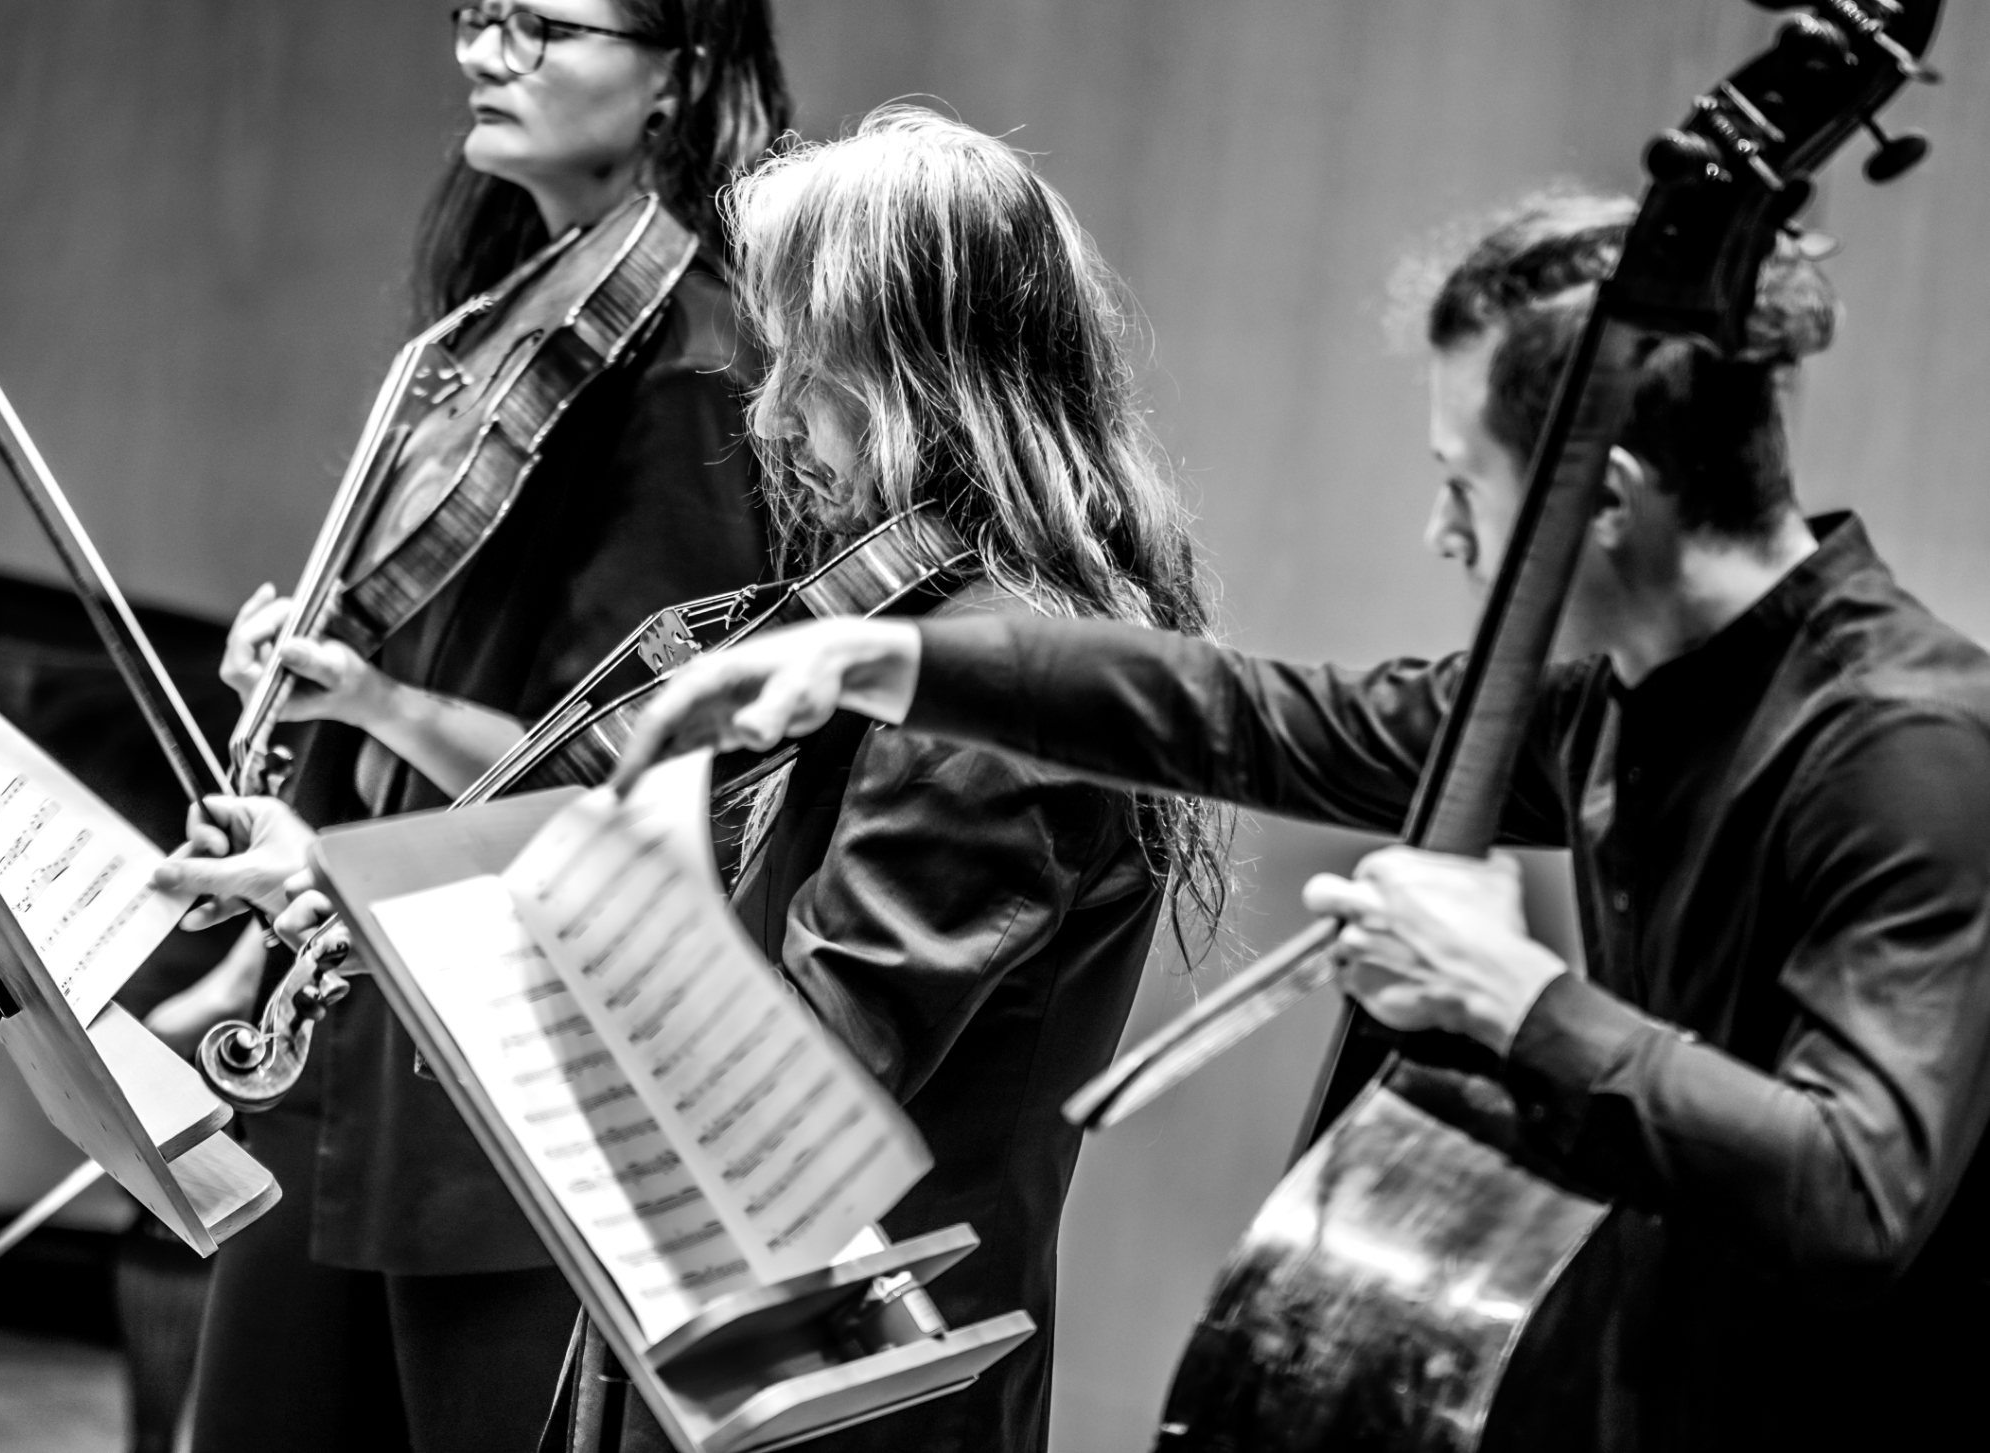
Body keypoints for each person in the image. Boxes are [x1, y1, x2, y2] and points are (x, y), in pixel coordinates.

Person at [611, 194, 1990, 1453]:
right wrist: (886, 659)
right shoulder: (1634, 700)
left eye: (1466, 483)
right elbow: (1257, 718)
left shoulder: (1906, 748)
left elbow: (1861, 1187)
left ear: (1613, 502)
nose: (1446, 532)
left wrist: (1516, 998)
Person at [148, 5, 788, 1450]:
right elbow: (421, 658)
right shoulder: (504, 317)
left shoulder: (690, 365)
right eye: (477, 13)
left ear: (680, 73)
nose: (484, 53)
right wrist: (326, 687)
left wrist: (378, 697)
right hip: (352, 1007)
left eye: (541, 24)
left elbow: (628, 769)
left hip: (497, 1079)